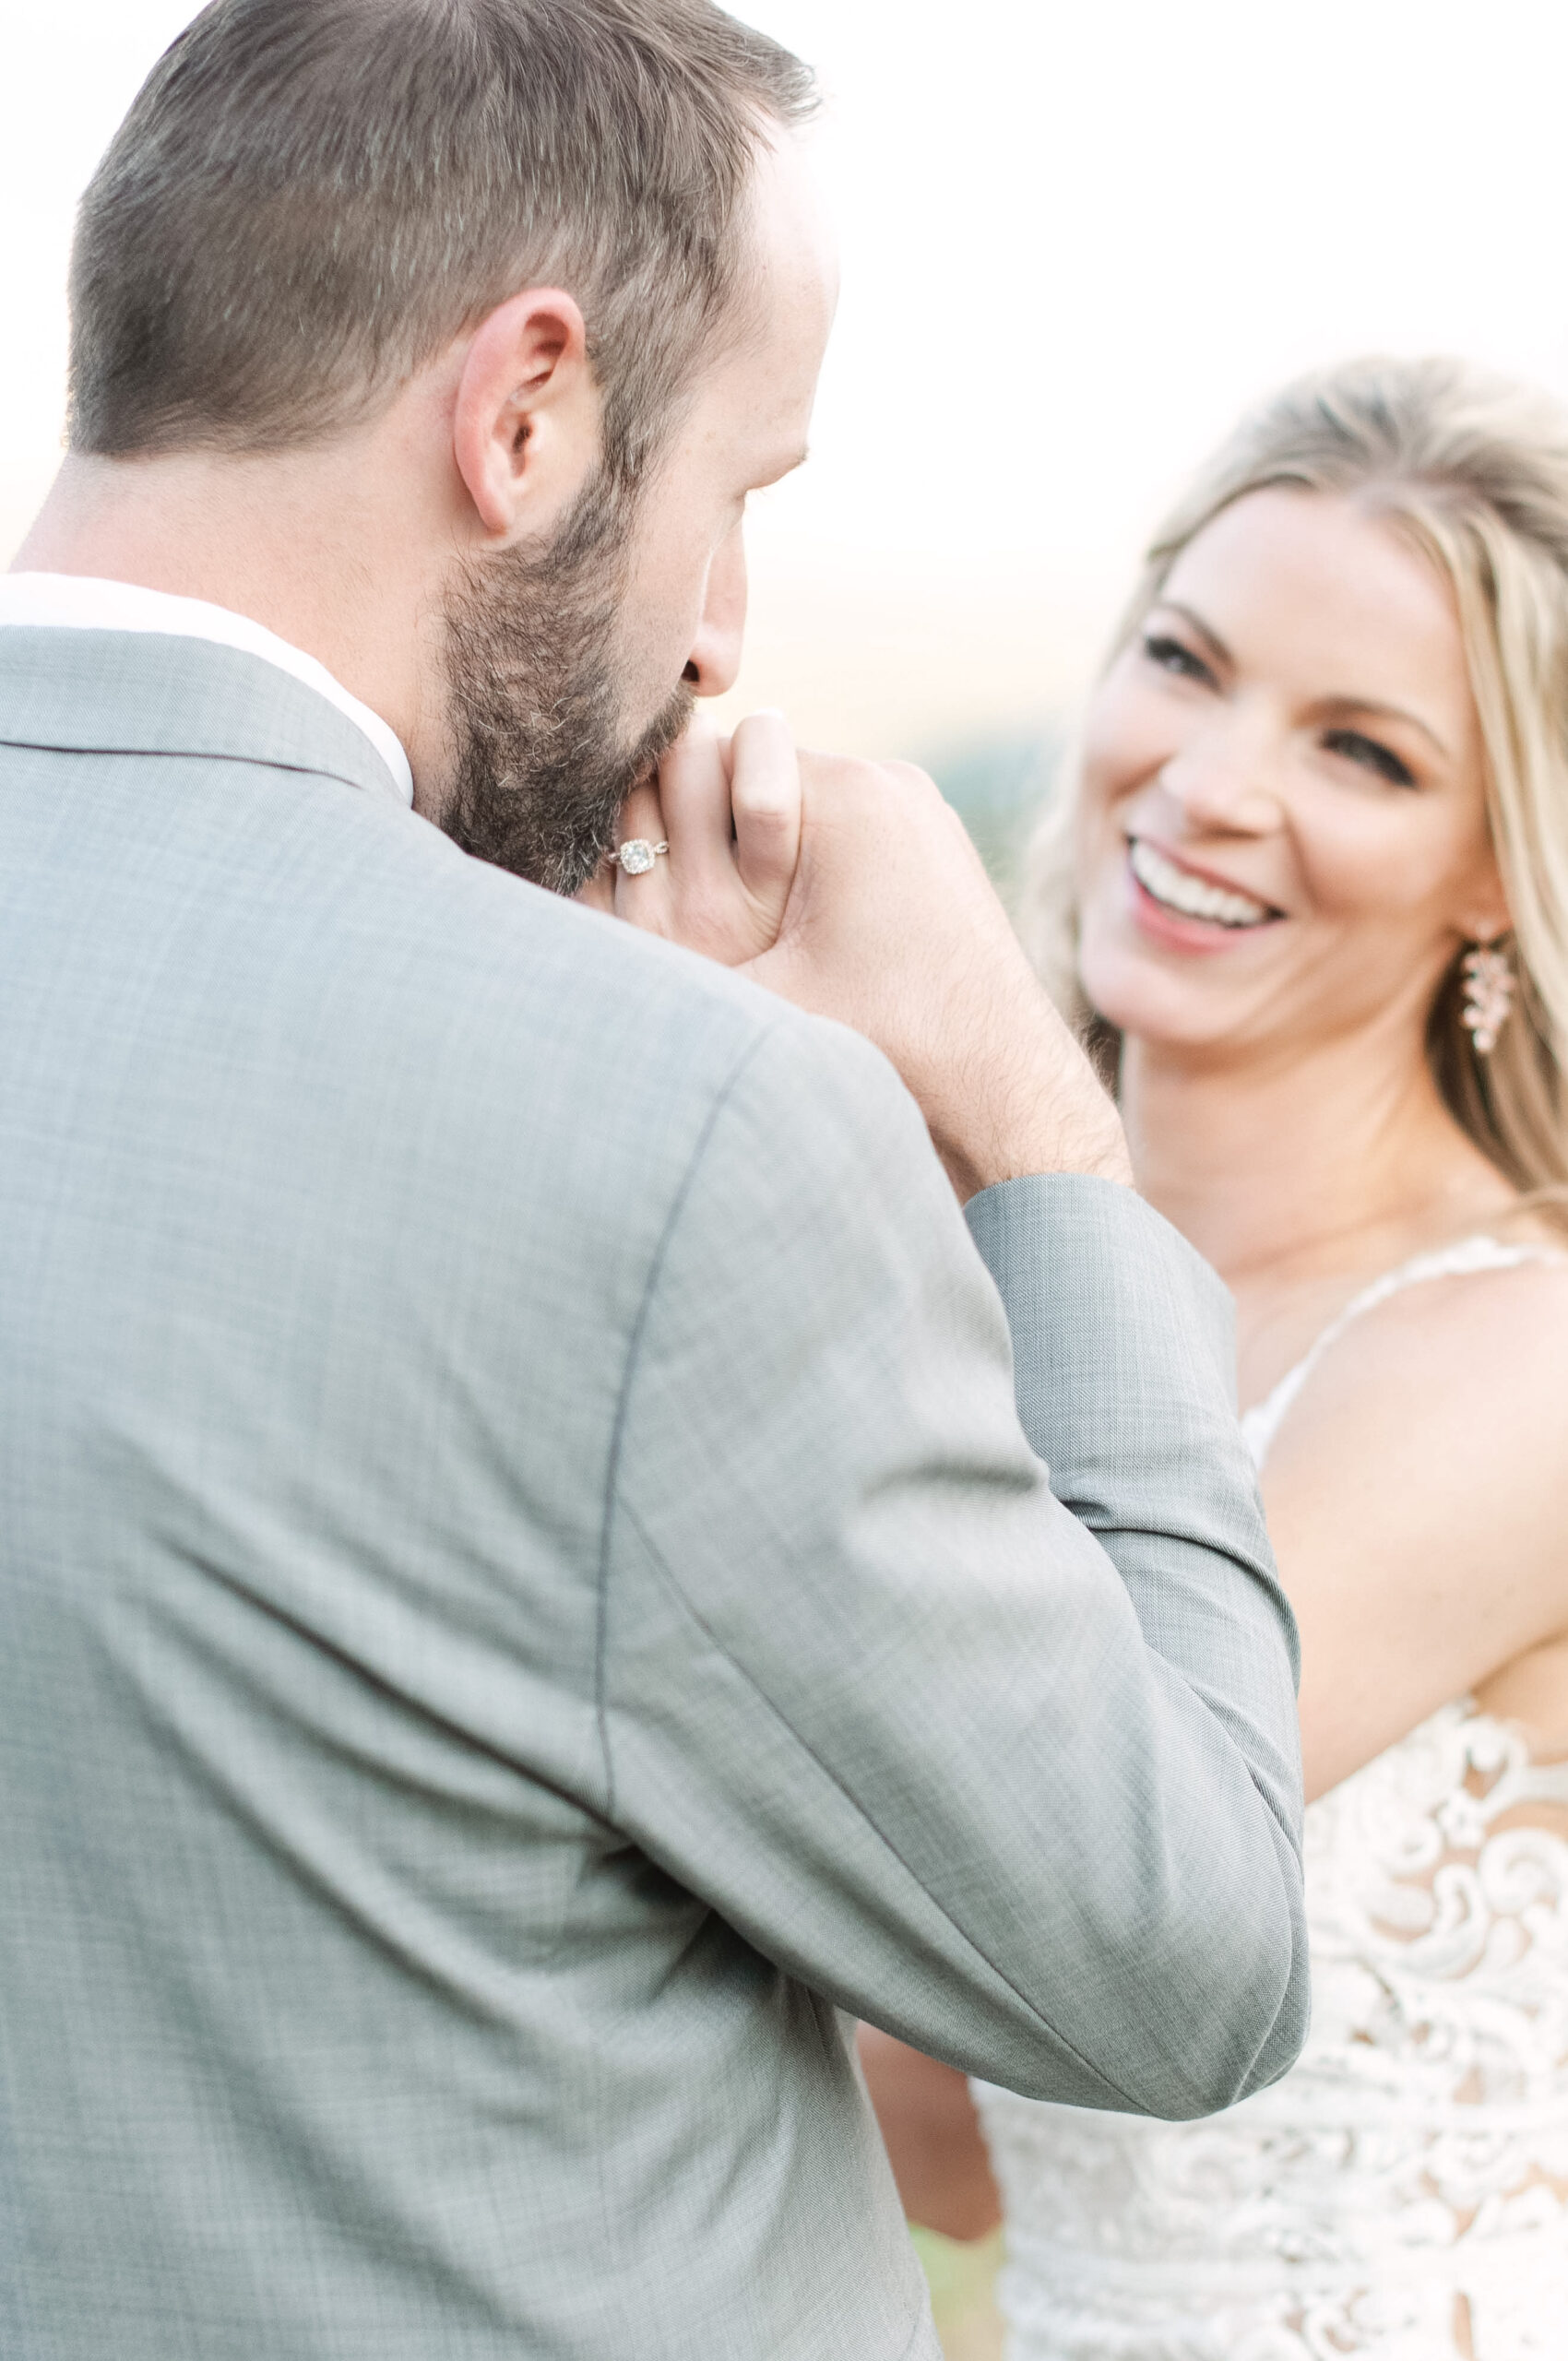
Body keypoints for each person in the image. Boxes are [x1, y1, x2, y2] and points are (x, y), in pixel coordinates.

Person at [0, 4, 1311, 2356]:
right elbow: (1182, 1959)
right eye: (741, 494)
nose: (719, 628)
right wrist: (1031, 1119)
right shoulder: (680, 1134)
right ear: (524, 412)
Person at [861, 356, 1568, 2358]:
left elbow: (1098, 1868)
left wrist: (1003, 1098)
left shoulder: (1520, 1363)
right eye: (1185, 661)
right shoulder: (959, 1291)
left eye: (1361, 750)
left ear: (1500, 863)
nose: (1211, 780)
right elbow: (952, 2144)